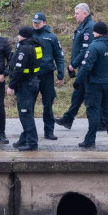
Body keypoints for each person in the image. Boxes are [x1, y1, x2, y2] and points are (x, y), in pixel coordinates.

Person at [76, 21, 108, 149]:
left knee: (93, 110)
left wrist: (78, 81)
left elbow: (86, 67)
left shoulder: (94, 47)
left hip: (95, 84)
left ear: (96, 32)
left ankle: (90, 140)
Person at [56, 3, 97, 130]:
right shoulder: (83, 26)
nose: (75, 16)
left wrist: (74, 64)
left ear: (85, 13)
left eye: (77, 13)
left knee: (90, 95)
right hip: (82, 67)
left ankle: (102, 122)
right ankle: (68, 119)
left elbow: (86, 50)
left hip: (87, 67)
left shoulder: (89, 27)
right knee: (78, 93)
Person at [6, 25, 43, 151]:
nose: (18, 36)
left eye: (19, 34)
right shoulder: (36, 45)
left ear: (23, 35)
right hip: (34, 82)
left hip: (25, 85)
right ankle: (24, 138)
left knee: (25, 114)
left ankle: (32, 142)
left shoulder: (24, 48)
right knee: (28, 113)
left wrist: (11, 86)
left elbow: (19, 70)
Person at [31, 11, 66, 141]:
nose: (36, 25)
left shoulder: (52, 37)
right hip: (32, 75)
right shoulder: (28, 35)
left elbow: (59, 56)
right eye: (34, 23)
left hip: (47, 75)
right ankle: (30, 132)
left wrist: (61, 74)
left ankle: (49, 131)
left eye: (38, 23)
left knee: (48, 104)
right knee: (29, 104)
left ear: (44, 22)